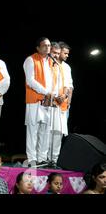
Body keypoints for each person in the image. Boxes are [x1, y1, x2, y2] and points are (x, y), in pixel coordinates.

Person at [23, 37, 58, 167]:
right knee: (33, 129)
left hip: (48, 101)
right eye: (45, 45)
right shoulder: (30, 60)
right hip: (34, 100)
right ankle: (32, 158)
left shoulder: (51, 62)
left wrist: (52, 93)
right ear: (38, 48)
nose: (48, 48)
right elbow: (30, 81)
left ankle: (42, 157)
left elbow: (53, 81)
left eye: (49, 45)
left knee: (45, 129)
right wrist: (46, 92)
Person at [47, 42, 68, 163]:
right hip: (48, 102)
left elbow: (67, 85)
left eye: (58, 53)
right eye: (54, 53)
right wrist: (54, 96)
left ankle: (54, 160)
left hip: (60, 104)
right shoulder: (46, 65)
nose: (56, 55)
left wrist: (63, 96)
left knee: (57, 132)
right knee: (47, 132)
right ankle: (44, 159)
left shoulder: (62, 67)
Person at [59, 42, 74, 128]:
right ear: (59, 51)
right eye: (65, 53)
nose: (67, 55)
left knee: (61, 130)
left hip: (64, 104)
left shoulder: (67, 67)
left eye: (68, 54)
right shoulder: (50, 64)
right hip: (54, 101)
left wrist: (69, 102)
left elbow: (70, 86)